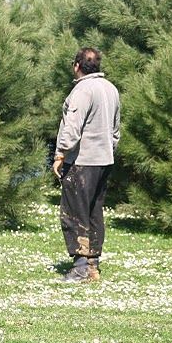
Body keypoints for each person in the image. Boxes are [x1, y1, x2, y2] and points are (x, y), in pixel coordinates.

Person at [52, 47, 120, 283]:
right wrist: (110, 151)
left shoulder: (82, 90)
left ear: (77, 66)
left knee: (73, 213)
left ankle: (80, 267)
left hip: (82, 161)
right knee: (94, 213)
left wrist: (60, 154)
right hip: (104, 160)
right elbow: (116, 130)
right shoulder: (111, 89)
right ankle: (93, 265)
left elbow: (72, 128)